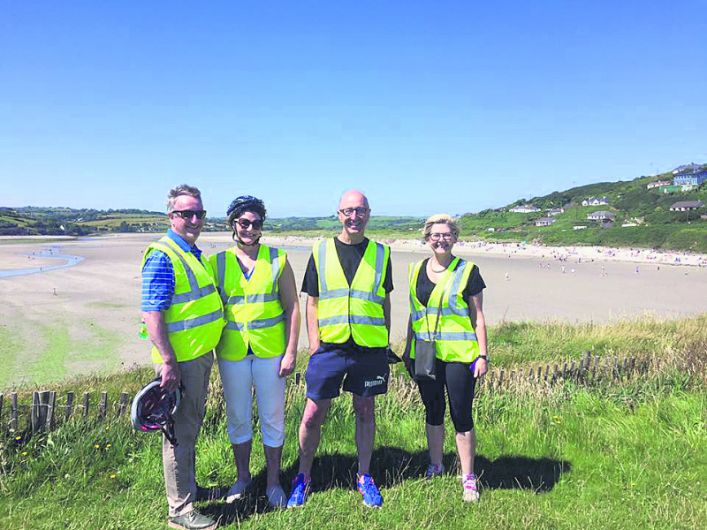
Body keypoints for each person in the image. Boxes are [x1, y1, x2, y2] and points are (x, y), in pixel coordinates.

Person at [287, 190, 393, 509]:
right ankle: (303, 476)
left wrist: (384, 341)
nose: (354, 217)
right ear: (339, 215)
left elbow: (384, 300)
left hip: (368, 348)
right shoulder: (320, 251)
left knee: (365, 411)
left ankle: (363, 476)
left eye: (360, 211)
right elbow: (312, 302)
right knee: (311, 416)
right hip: (330, 349)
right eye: (348, 211)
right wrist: (315, 345)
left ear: (368, 214)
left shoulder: (381, 253)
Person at [141, 184, 224, 530]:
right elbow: (152, 313)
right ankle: (180, 510)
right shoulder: (164, 255)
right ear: (171, 217)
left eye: (199, 213)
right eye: (185, 213)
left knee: (190, 427)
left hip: (198, 357)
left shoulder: (191, 251)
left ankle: (188, 489)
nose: (193, 219)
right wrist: (169, 361)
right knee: (178, 432)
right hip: (180, 361)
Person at [209, 196, 300, 508]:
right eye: (243, 222)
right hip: (232, 353)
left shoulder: (278, 259)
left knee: (273, 417)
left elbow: (293, 307)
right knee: (237, 416)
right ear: (233, 223)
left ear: (262, 226)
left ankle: (273, 481)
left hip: (270, 351)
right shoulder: (217, 263)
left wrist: (291, 352)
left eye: (256, 223)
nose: (249, 228)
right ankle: (243, 477)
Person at [402, 214, 488, 503]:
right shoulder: (415, 270)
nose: (441, 239)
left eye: (446, 234)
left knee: (461, 415)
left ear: (455, 238)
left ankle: (468, 477)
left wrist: (482, 355)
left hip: (460, 356)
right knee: (433, 411)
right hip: (425, 354)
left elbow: (478, 317)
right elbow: (414, 314)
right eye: (435, 235)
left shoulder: (468, 271)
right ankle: (436, 465)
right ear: (427, 238)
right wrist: (407, 350)